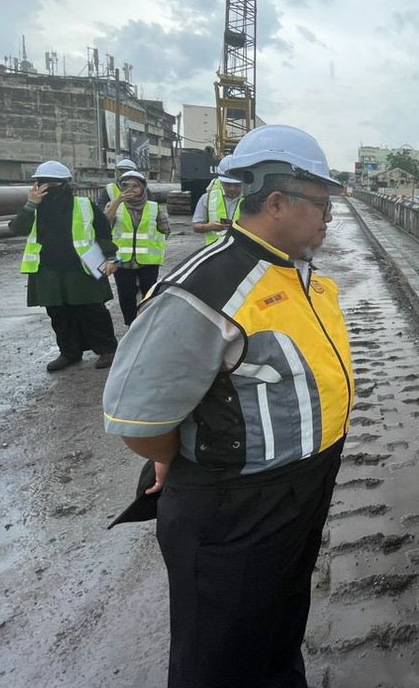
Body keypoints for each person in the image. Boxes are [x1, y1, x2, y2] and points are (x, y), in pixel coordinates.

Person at [102, 124, 352, 688]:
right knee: (219, 655)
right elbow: (139, 418)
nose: (328, 217)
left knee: (278, 624)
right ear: (277, 202)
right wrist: (172, 454)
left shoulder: (298, 270)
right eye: (321, 203)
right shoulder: (205, 289)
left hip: (300, 490)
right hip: (235, 508)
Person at [9, 160, 120, 371]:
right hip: (47, 269)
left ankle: (107, 350)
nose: (47, 188)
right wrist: (31, 204)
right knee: (59, 313)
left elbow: (103, 232)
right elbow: (17, 228)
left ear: (65, 184)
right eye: (42, 183)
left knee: (92, 309)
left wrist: (112, 258)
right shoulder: (33, 208)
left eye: (53, 183)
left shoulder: (84, 205)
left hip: (83, 267)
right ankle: (69, 352)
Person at [105, 170, 170, 326]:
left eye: (135, 186)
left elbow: (165, 231)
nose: (131, 190)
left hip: (148, 261)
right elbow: (105, 223)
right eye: (126, 186)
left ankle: (147, 323)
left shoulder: (154, 207)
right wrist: (117, 201)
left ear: (143, 188)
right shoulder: (114, 205)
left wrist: (151, 244)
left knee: (149, 293)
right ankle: (131, 324)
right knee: (126, 294)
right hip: (122, 260)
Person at [191, 156, 243, 244]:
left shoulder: (251, 199)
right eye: (227, 184)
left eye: (237, 185)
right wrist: (209, 227)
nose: (232, 188)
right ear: (220, 181)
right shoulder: (207, 198)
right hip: (214, 251)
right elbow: (196, 227)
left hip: (241, 250)